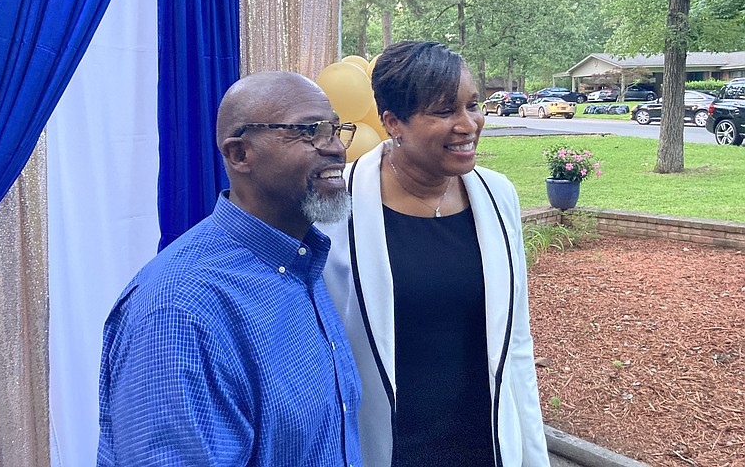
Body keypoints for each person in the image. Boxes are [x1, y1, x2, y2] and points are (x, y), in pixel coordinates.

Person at [97, 71, 363, 466]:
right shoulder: (180, 312)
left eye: (337, 129)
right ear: (240, 154)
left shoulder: (300, 266)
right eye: (310, 131)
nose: (337, 148)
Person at [319, 41, 549, 466]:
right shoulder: (337, 207)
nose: (468, 124)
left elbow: (515, 340)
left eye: (473, 105)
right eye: (445, 111)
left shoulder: (498, 196)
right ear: (393, 123)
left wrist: (532, 454)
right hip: (385, 447)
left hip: (483, 443)